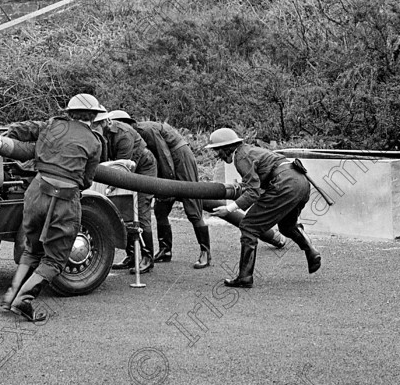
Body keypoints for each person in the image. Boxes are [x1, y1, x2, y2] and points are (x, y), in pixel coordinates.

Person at [0, 93, 104, 322]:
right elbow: (87, 180)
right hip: (64, 199)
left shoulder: (52, 125)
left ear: (69, 113)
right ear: (93, 116)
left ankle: (11, 294)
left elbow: (23, 129)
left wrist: (4, 136)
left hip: (36, 191)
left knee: (32, 249)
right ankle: (24, 300)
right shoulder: (94, 142)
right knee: (55, 258)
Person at [206, 128, 321, 288]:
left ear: (226, 148)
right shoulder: (249, 150)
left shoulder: (241, 157)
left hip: (285, 184)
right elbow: (257, 185)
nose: (216, 155)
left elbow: (253, 192)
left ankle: (244, 277)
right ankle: (311, 250)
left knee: (249, 226)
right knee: (287, 227)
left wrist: (229, 209)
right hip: (300, 182)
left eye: (216, 150)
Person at [106, 111, 214, 269]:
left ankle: (205, 252)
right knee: (160, 210)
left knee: (191, 202)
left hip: (180, 157)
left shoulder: (146, 130)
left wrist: (167, 184)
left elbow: (165, 154)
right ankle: (165, 250)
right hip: (162, 164)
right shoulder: (127, 138)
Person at [93, 110, 158, 274]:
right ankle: (132, 256)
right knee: (123, 211)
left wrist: (108, 186)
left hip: (144, 168)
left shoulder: (124, 134)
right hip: (125, 168)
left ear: (105, 123)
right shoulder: (101, 135)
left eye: (96, 125)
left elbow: (123, 169)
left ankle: (147, 258)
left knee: (141, 212)